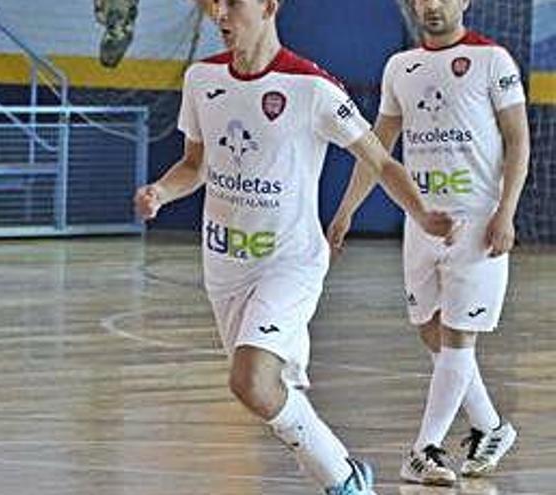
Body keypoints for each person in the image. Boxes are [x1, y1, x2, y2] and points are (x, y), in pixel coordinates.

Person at [134, 0, 453, 493]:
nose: (220, 15)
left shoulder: (313, 89)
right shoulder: (201, 79)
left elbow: (381, 161)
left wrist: (424, 213)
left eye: (233, 4)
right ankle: (343, 471)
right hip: (225, 265)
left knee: (250, 379)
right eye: (214, 4)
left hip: (290, 262)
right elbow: (195, 164)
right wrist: (161, 190)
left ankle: (342, 480)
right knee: (261, 390)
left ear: (268, 6)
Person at [327, 0, 528, 486]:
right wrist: (346, 209)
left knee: (459, 339)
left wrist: (507, 212)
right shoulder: (401, 66)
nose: (430, 5)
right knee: (432, 331)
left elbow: (518, 139)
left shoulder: (493, 60)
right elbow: (379, 148)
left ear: (464, 2)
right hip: (421, 222)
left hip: (477, 222)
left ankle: (423, 450)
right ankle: (491, 427)